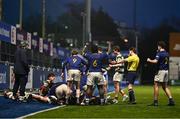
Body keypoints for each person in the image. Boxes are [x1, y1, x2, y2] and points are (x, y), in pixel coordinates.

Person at [147, 41, 175, 106]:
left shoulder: (159, 53)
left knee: (156, 85)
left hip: (160, 71)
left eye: (158, 46)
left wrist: (149, 60)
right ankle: (171, 100)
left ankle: (155, 101)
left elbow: (156, 61)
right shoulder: (167, 53)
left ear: (159, 46)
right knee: (165, 86)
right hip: (166, 71)